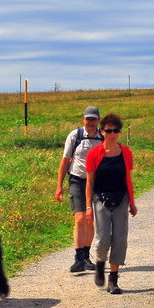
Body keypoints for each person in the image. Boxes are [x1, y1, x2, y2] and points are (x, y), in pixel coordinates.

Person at [85, 113, 137, 295]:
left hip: (121, 199)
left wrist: (132, 202)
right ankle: (100, 264)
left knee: (120, 239)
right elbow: (89, 182)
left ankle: (113, 280)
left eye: (115, 131)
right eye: (108, 131)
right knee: (103, 239)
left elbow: (127, 178)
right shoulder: (94, 154)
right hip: (100, 199)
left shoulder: (126, 152)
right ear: (102, 131)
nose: (112, 134)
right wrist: (88, 207)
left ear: (119, 132)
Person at [55, 106, 105, 273]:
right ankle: (78, 258)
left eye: (93, 119)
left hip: (96, 183)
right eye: (87, 119)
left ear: (98, 120)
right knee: (80, 218)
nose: (90, 122)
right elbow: (65, 161)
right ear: (83, 119)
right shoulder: (75, 135)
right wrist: (59, 186)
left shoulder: (103, 138)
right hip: (77, 180)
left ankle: (85, 256)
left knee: (90, 220)